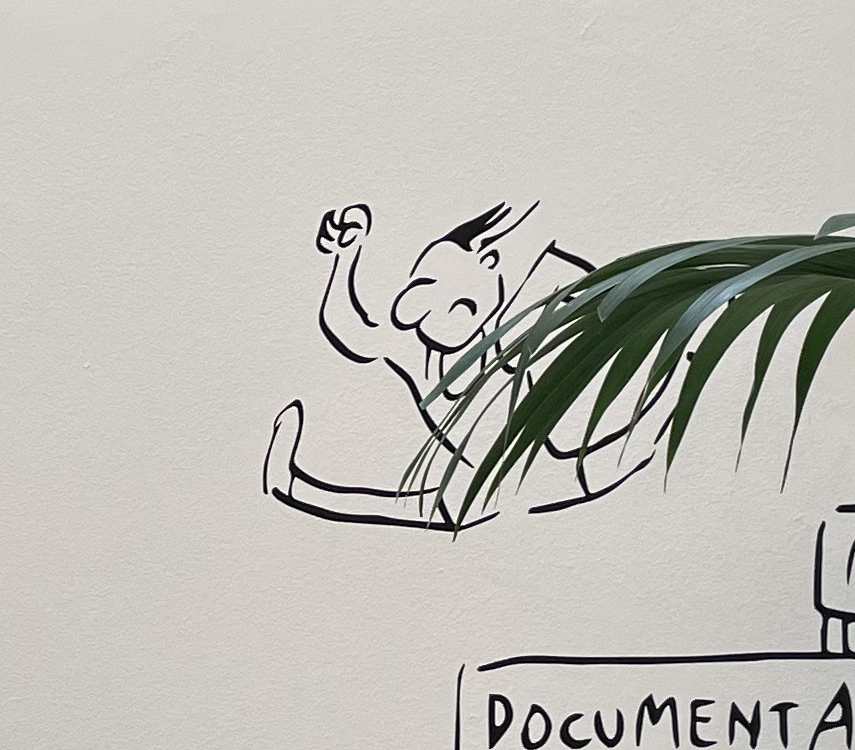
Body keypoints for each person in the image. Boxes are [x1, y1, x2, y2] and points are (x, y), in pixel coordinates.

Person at [263, 201, 653, 530]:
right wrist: (346, 256)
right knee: (401, 507)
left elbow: (561, 270)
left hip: (544, 475)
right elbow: (351, 330)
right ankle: (290, 485)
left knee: (623, 455)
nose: (420, 308)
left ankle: (291, 486)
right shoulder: (416, 348)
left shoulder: (500, 342)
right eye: (423, 284)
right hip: (480, 485)